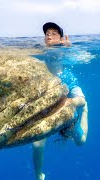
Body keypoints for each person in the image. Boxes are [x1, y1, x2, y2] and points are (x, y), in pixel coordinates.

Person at [32, 22, 89, 180]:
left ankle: (86, 113)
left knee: (81, 141)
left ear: (61, 38)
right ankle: (39, 175)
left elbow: (80, 99)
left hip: (67, 107)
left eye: (54, 33)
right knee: (37, 144)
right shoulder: (39, 52)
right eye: (47, 33)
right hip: (49, 106)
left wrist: (72, 103)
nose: (49, 35)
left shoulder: (67, 73)